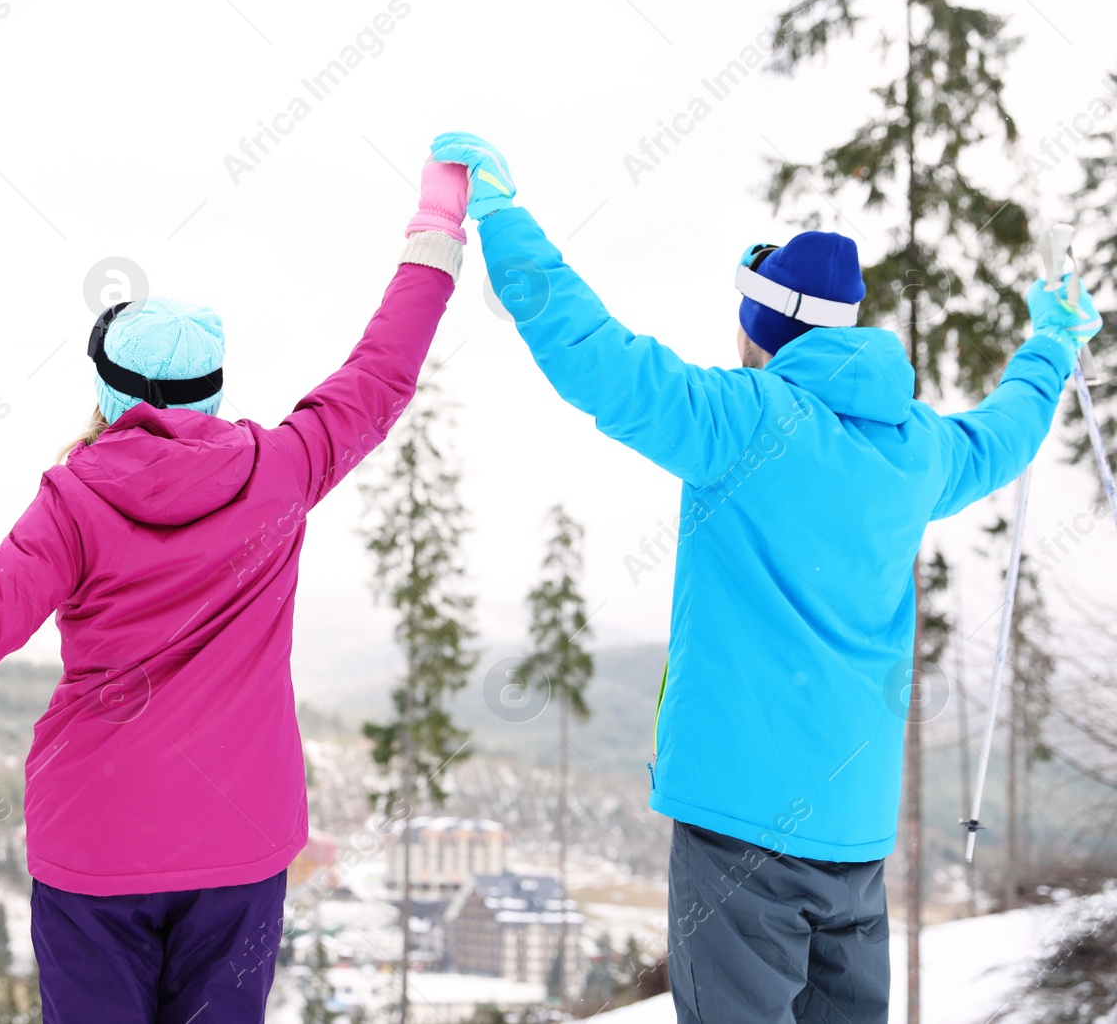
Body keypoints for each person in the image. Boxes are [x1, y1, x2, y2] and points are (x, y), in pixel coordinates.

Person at [0, 154, 474, 1024]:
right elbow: (383, 371)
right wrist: (436, 227)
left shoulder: (74, 504)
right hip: (241, 848)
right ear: (210, 393)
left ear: (108, 394)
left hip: (94, 848)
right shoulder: (283, 470)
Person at [430, 131, 1103, 1023]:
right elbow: (1003, 434)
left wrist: (505, 221)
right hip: (856, 833)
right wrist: (1051, 343)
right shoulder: (915, 448)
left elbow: (602, 358)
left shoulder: (741, 422)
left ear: (764, 328)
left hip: (740, 823)